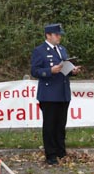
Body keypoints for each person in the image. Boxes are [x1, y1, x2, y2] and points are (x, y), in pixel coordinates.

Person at [31, 23, 81, 165]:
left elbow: (64, 68)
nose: (59, 37)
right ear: (48, 35)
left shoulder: (62, 49)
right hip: (49, 94)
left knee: (60, 124)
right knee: (50, 125)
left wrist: (73, 71)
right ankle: (51, 154)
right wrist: (49, 71)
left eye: (60, 35)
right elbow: (34, 71)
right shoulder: (39, 51)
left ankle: (61, 151)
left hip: (63, 92)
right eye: (56, 34)